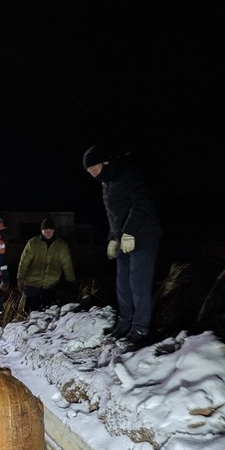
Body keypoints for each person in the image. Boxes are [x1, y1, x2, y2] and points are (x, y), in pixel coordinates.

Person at [83, 144, 162, 344]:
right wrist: (112, 237)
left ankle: (141, 328)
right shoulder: (106, 184)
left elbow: (142, 203)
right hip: (123, 239)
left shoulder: (128, 173)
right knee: (122, 284)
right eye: (89, 171)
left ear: (105, 161)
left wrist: (129, 233)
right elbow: (112, 215)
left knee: (138, 284)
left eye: (94, 167)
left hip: (144, 236)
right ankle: (125, 322)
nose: (92, 173)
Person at [17, 216, 75, 312]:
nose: (48, 232)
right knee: (30, 312)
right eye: (45, 229)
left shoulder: (61, 246)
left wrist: (71, 282)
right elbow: (24, 262)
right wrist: (20, 278)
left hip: (50, 286)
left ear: (54, 231)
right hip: (32, 285)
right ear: (41, 230)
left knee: (48, 313)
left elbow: (67, 265)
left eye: (50, 229)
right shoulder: (33, 243)